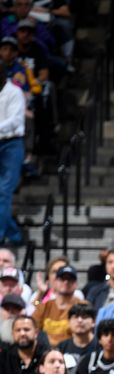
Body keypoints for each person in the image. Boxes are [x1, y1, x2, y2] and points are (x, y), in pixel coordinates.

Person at [0, 63, 25, 246]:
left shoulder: (14, 91)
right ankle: (14, 234)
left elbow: (15, 120)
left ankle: (1, 234)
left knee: (4, 191)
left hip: (11, 143)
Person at [32, 265, 87, 347]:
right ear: (55, 282)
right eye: (62, 279)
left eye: (70, 279)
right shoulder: (44, 306)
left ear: (76, 284)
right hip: (46, 352)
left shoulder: (83, 306)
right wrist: (40, 293)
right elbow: (33, 329)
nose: (66, 282)